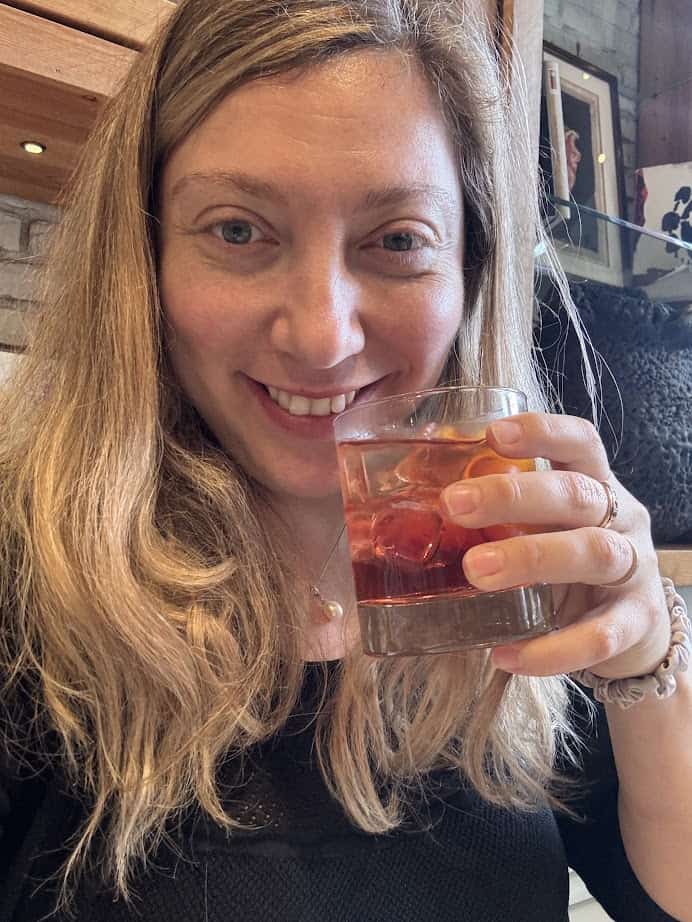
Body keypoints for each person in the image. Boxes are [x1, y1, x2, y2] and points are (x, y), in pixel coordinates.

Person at [0, 1, 690, 920]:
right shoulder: (26, 586)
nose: (323, 337)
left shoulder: (511, 558)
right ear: (144, 254)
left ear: (471, 273)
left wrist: (648, 660)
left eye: (397, 240)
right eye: (237, 230)